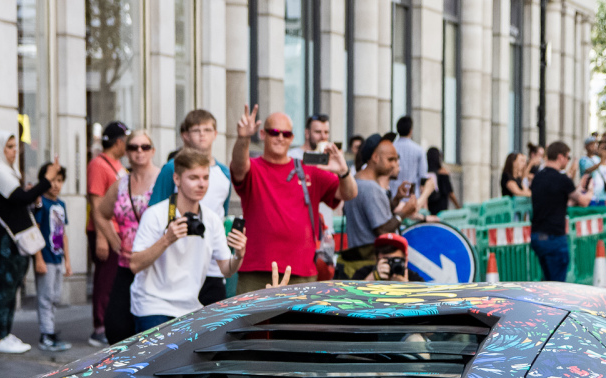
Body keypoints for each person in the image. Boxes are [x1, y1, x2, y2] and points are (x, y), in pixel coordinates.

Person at [231, 106, 357, 293]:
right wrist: (243, 138)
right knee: (249, 322)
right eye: (274, 132)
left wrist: (343, 171)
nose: (280, 137)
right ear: (263, 134)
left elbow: (349, 193)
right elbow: (239, 167)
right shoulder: (254, 168)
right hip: (257, 270)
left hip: (301, 272)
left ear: (292, 138)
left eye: (286, 133)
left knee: (302, 323)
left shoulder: (308, 170)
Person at [129, 149, 247, 331]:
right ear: (176, 179)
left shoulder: (212, 219)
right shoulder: (156, 214)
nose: (201, 184)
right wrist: (167, 239)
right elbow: (135, 265)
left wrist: (239, 254)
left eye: (205, 178)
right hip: (152, 304)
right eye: (193, 178)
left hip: (190, 306)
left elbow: (227, 270)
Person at [148, 110, 236, 303]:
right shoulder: (171, 168)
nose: (202, 134)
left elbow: (223, 212)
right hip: (176, 263)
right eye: (196, 130)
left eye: (207, 129)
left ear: (216, 134)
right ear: (185, 136)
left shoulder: (223, 173)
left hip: (212, 265)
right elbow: (156, 209)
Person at [0, 140, 61, 354]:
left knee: (13, 288)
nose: (14, 151)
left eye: (14, 146)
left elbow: (21, 200)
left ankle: (6, 333)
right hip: (5, 242)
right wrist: (46, 180)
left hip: (16, 242)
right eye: (8, 146)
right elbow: (21, 197)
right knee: (5, 289)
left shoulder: (8, 173)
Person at [99, 129, 160, 344]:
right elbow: (100, 212)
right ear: (126, 152)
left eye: (145, 147)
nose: (139, 151)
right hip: (126, 263)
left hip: (155, 264)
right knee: (116, 326)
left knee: (151, 329)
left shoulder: (163, 180)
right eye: (133, 147)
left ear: (153, 151)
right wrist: (114, 242)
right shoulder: (121, 184)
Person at [338, 134, 417, 277]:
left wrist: (396, 200)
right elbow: (382, 231)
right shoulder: (371, 189)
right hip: (372, 266)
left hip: (359, 263)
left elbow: (373, 215)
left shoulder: (357, 182)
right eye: (390, 159)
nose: (394, 164)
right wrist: (404, 213)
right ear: (375, 158)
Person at [86, 120, 129, 346]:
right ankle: (99, 325)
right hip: (105, 230)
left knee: (113, 279)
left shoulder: (118, 164)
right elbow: (96, 200)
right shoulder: (98, 164)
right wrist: (102, 238)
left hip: (119, 231)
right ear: (119, 142)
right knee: (104, 280)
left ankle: (109, 321)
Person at [529, 141, 592, 281]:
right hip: (554, 237)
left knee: (547, 280)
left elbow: (558, 201)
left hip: (537, 235)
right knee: (557, 285)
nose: (568, 161)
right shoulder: (562, 179)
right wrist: (590, 190)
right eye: (568, 157)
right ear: (560, 157)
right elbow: (583, 201)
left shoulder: (538, 178)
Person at [32, 163, 72, 352]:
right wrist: (38, 258)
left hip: (57, 258)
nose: (55, 185)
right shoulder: (42, 204)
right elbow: (37, 230)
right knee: (46, 298)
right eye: (52, 180)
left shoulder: (61, 204)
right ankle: (45, 335)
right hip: (46, 258)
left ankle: (51, 331)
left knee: (55, 297)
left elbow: (63, 233)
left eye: (59, 180)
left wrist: (68, 261)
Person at [357, 233, 423, 281]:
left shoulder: (414, 279)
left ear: (405, 261)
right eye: (387, 261)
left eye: (396, 260)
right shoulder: (364, 273)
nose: (392, 265)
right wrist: (372, 279)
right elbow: (351, 296)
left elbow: (423, 297)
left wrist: (406, 287)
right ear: (376, 260)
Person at [389, 115, 428, 197]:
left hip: (393, 193)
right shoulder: (419, 150)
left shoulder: (391, 147)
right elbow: (423, 175)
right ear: (411, 130)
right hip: (411, 195)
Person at [426, 147, 458, 214]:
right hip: (441, 207)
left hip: (429, 208)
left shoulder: (427, 174)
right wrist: (458, 206)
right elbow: (450, 193)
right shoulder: (442, 172)